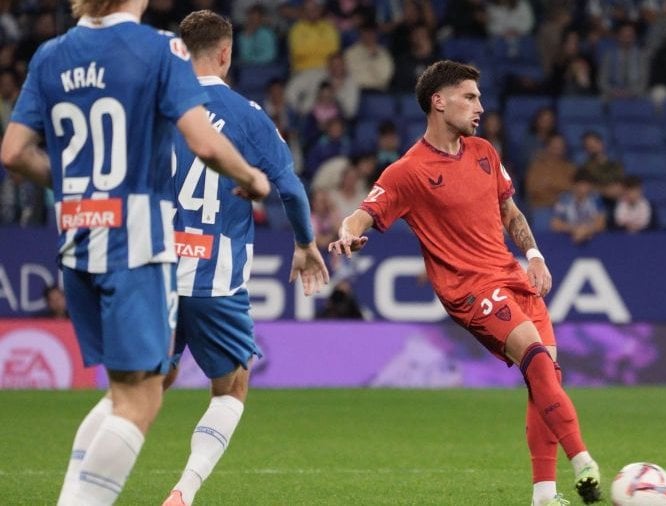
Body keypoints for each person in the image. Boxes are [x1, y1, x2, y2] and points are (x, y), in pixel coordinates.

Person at [0, 1, 270, 504]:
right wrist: (251, 177)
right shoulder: (160, 48)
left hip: (77, 239)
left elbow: (13, 152)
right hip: (135, 242)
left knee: (123, 391)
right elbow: (204, 143)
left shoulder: (50, 55)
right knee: (141, 398)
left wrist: (78, 187)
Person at [328, 60, 602, 506]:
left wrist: (534, 256)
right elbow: (363, 213)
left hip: (512, 277)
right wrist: (347, 232)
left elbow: (509, 211)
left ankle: (544, 494)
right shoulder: (408, 170)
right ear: (439, 101)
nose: (480, 107)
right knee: (537, 361)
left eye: (479, 97)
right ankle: (583, 461)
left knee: (546, 380)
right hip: (470, 290)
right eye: (470, 97)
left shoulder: (484, 151)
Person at [161, 11, 329, 506]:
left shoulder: (157, 107)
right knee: (232, 386)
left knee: (144, 387)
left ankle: (86, 486)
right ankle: (183, 492)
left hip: (155, 270)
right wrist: (305, 244)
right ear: (226, 53)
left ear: (181, 51)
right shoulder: (248, 116)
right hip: (213, 276)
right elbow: (291, 191)